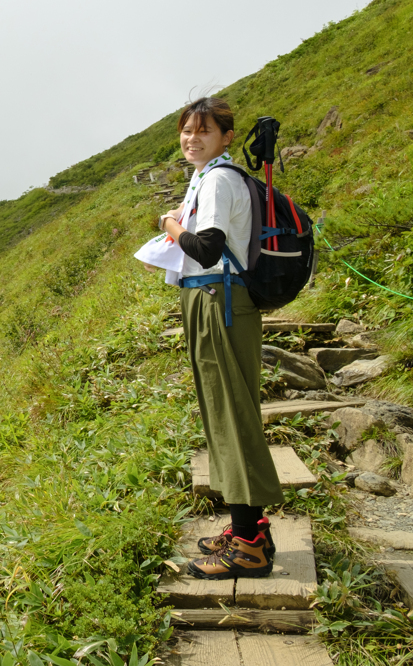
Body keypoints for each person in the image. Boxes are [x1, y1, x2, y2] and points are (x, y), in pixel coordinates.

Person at [157, 97, 284, 579]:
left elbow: (206, 246)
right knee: (225, 411)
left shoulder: (217, 180)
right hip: (217, 299)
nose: (192, 139)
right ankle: (248, 527)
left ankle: (249, 546)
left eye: (203, 131)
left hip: (218, 301)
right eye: (186, 131)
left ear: (227, 137)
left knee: (230, 414)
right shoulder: (215, 178)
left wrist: (169, 224)